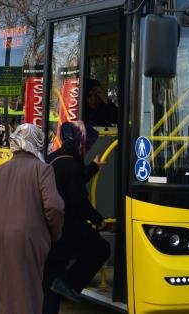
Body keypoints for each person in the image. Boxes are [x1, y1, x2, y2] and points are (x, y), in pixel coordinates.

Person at [0, 124, 64, 314]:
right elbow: (54, 206)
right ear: (37, 143)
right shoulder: (42, 170)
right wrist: (53, 234)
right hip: (24, 240)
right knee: (22, 291)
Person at [43, 121, 111, 313]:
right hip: (67, 227)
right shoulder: (71, 164)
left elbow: (73, 181)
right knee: (100, 249)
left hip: (48, 227)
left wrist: (94, 167)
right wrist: (99, 220)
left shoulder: (52, 158)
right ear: (80, 141)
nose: (87, 147)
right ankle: (70, 283)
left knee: (51, 278)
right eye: (87, 143)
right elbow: (78, 200)